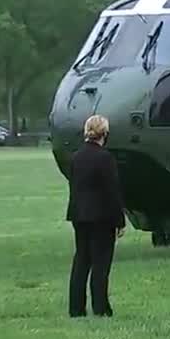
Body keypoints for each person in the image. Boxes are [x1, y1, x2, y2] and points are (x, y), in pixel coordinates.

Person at [66, 114, 126, 316]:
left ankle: (76, 308)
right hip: (101, 217)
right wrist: (120, 220)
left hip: (79, 215)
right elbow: (112, 191)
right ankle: (101, 308)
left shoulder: (76, 157)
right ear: (105, 134)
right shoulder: (105, 158)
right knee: (101, 264)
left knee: (81, 260)